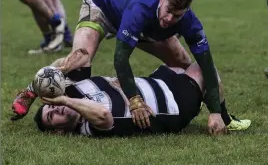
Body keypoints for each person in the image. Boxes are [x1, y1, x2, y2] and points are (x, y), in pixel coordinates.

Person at [12, 0, 236, 135]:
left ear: (185, 12)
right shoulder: (140, 9)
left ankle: (223, 119)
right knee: (81, 59)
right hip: (103, 7)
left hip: (145, 25)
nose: (169, 18)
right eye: (167, 10)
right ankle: (33, 88)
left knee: (186, 66)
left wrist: (216, 111)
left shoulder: (188, 21)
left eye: (176, 15)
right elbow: (120, 58)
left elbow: (206, 64)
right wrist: (135, 101)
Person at [31, 59, 251, 136]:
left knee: (175, 55)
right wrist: (65, 101)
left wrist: (36, 89)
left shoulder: (72, 89)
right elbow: (105, 114)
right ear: (59, 132)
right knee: (205, 68)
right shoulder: (88, 126)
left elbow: (70, 62)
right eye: (52, 117)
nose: (56, 109)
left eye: (51, 107)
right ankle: (223, 118)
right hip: (172, 103)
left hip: (155, 79)